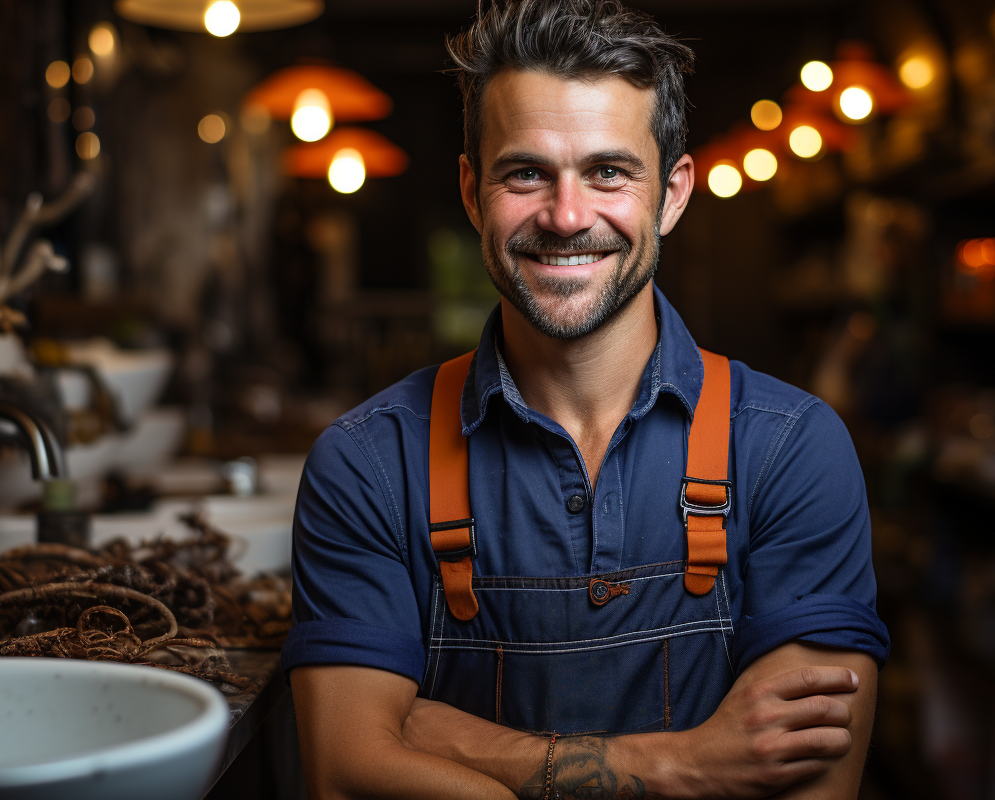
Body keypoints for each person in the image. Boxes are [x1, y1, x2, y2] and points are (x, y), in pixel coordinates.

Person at [284, 2, 890, 797]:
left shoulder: (791, 448)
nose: (567, 217)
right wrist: (681, 764)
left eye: (609, 171)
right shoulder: (366, 463)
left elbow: (810, 780)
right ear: (472, 192)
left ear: (671, 194)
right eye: (525, 172)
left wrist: (434, 735)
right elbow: (345, 776)